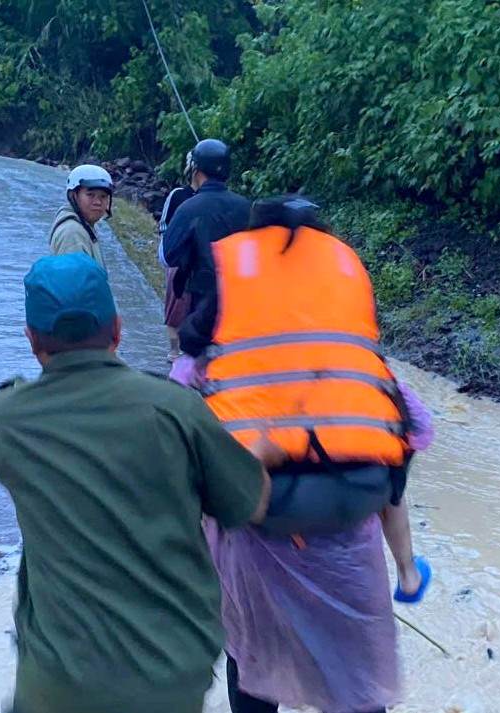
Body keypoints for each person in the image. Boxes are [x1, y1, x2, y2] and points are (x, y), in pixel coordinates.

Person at [0, 252, 277, 713]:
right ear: (118, 330)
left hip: (57, 683)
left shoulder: (4, 420)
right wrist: (259, 451)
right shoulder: (176, 410)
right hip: (170, 676)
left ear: (31, 339)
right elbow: (252, 506)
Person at [182, 195, 434, 713]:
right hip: (347, 557)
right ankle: (407, 571)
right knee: (357, 687)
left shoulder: (206, 368)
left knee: (254, 673)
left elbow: (181, 455)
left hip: (251, 555)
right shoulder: (363, 370)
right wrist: (407, 569)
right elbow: (402, 453)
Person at [159, 139, 250, 358]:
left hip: (201, 305)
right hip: (242, 303)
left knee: (200, 367)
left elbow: (168, 256)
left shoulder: (189, 207)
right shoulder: (247, 207)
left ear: (195, 170)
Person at [160, 159, 197, 360]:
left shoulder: (211, 199)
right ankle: (174, 350)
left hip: (204, 263)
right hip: (180, 260)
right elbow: (164, 226)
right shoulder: (178, 195)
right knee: (176, 306)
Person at [49, 165, 114, 270]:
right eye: (90, 195)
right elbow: (73, 283)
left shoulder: (84, 225)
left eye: (103, 196)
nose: (98, 202)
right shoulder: (72, 233)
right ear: (73, 195)